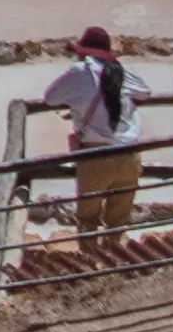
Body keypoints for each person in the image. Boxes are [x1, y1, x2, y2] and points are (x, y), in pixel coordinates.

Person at [43, 25, 145, 238]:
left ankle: (90, 265)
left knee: (87, 220)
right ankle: (116, 264)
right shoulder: (121, 71)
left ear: (84, 51)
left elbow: (50, 97)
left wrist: (78, 106)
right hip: (129, 154)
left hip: (96, 155)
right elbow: (145, 92)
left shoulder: (81, 71)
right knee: (118, 221)